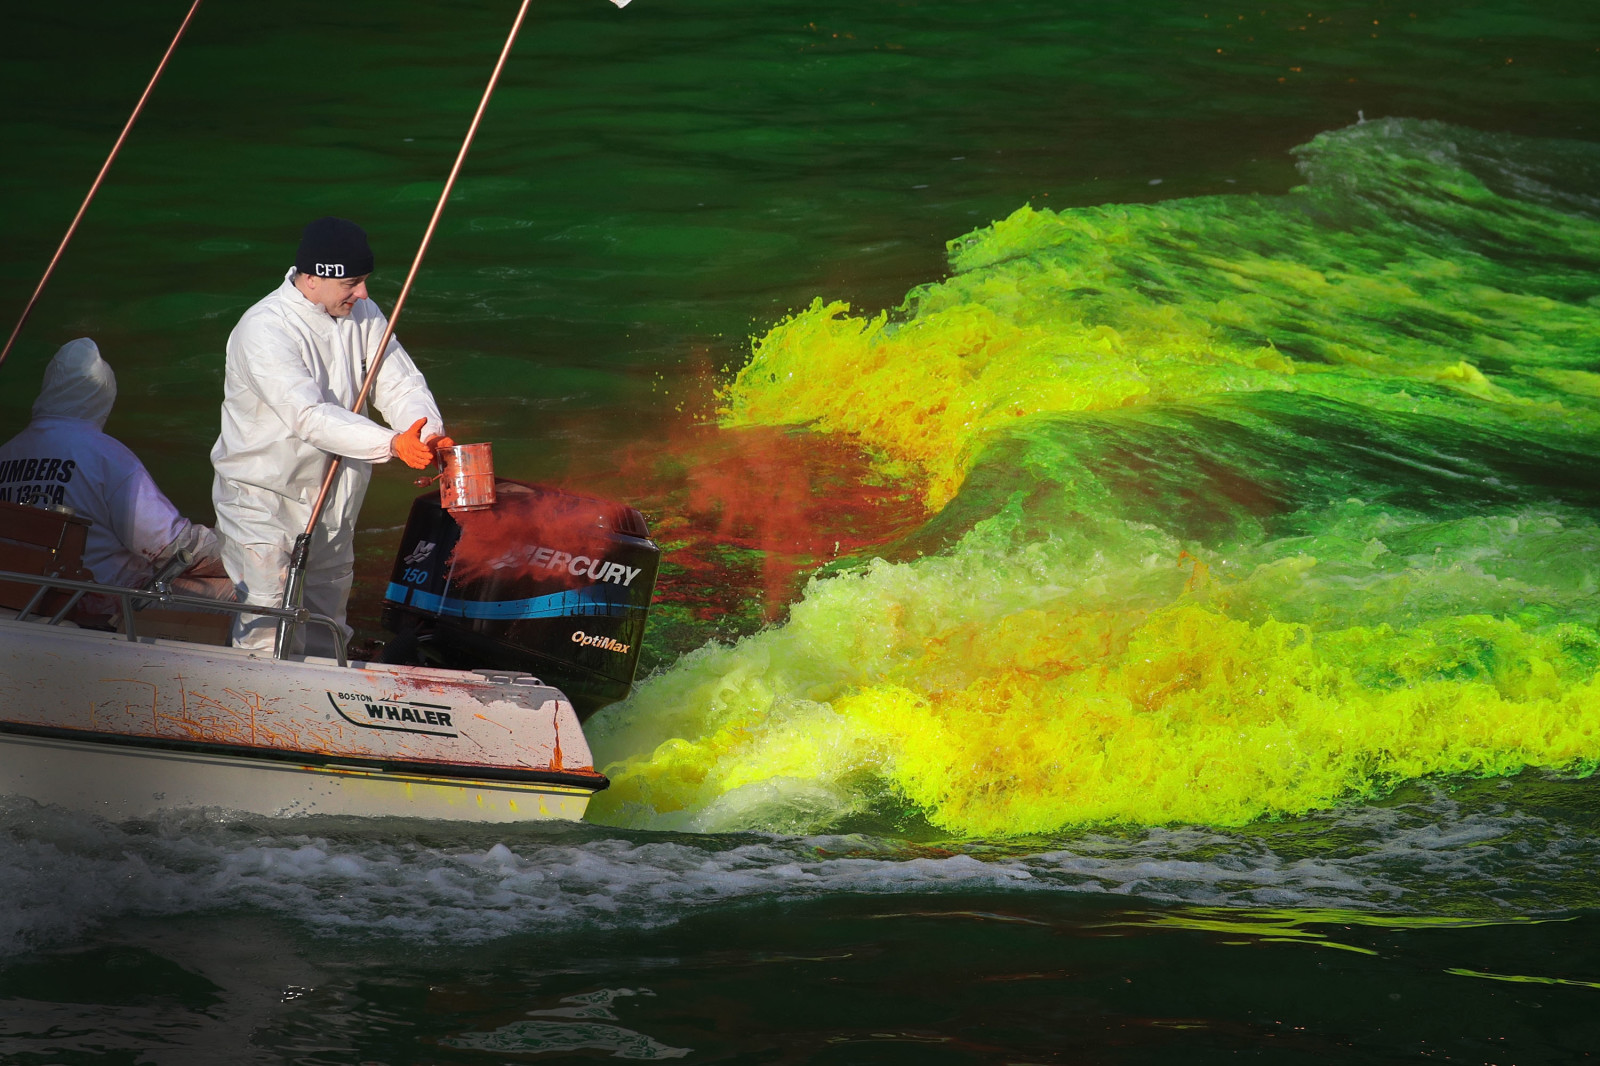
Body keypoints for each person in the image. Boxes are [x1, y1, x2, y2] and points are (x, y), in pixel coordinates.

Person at [211, 217, 451, 655]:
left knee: (326, 623)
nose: (363, 293)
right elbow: (308, 416)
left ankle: (323, 713)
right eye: (353, 283)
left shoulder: (364, 314)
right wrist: (392, 444)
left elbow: (399, 383)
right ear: (314, 277)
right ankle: (252, 712)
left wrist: (427, 432)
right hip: (265, 500)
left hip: (335, 500)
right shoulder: (264, 329)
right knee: (268, 618)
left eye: (365, 282)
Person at [0, 337, 233, 604]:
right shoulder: (104, 456)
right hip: (104, 601)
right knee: (252, 590)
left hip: (24, 598)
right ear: (102, 396)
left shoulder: (6, 453)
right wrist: (247, 550)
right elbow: (171, 547)